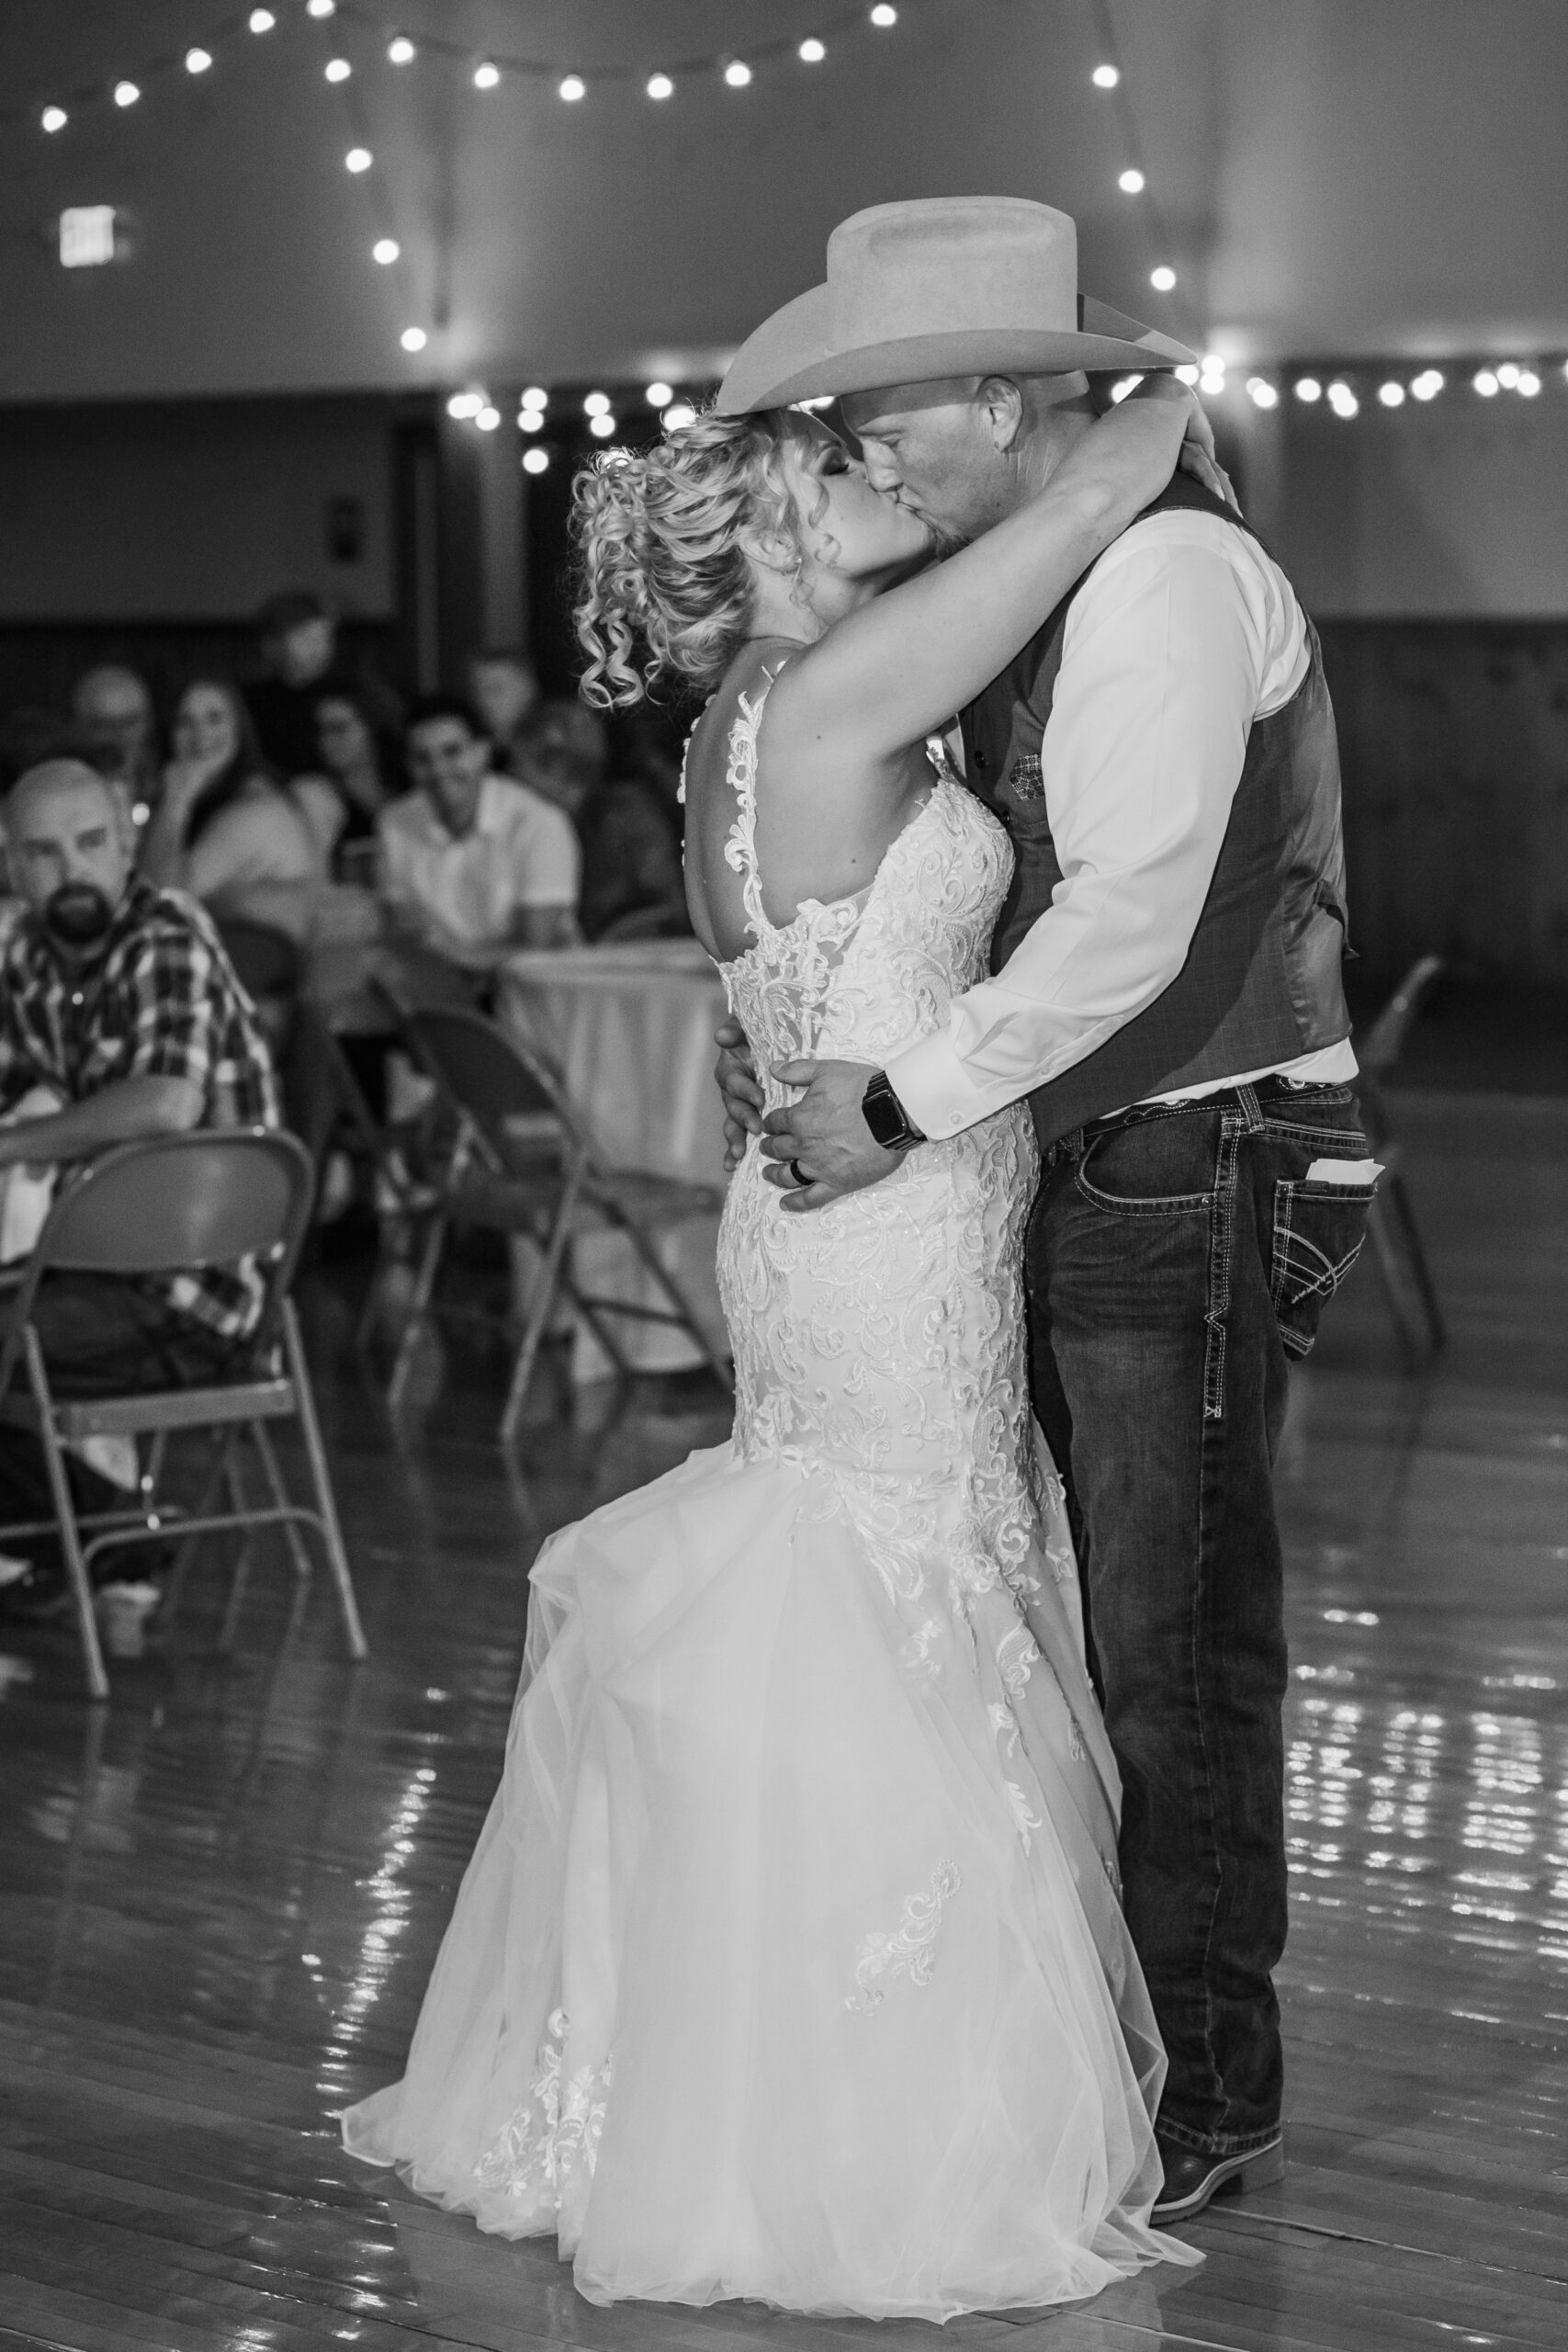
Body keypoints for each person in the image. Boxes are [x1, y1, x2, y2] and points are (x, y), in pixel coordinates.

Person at [341, 276, 1220, 2311]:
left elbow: (806, 986)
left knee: (886, 1599)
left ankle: (741, 2073)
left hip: (849, 1216)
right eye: (835, 468)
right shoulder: (824, 703)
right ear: (765, 539)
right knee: (900, 1612)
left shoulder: (754, 729)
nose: (873, 472)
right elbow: (1096, 491)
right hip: (881, 1230)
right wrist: (1117, 357)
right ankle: (872, 2123)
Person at [716, 199, 1377, 2225]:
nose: (870, 453)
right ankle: (1108, 2036)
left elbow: (1126, 919)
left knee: (1173, 1644)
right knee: (1096, 1631)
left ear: (995, 399)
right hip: (1098, 1154)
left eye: (882, 415)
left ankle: (1205, 2094)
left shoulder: (1167, 570)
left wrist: (902, 1090)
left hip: (1199, 1137)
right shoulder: (1071, 560)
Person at [0, 759, 279, 1612]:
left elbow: (167, 1101)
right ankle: (91, 1538)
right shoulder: (27, 962)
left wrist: (8, 1143)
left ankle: (111, 1532)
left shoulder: (165, 937)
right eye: (43, 853)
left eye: (91, 843)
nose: (71, 869)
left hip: (197, 1292)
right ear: (11, 865)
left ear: (128, 845)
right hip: (86, 1271)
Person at [377, 694, 579, 972]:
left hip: (532, 994)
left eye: (452, 752)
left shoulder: (538, 823)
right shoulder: (396, 822)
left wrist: (452, 957)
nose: (438, 770)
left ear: (482, 752)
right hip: (443, 992)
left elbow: (535, 947)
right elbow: (399, 927)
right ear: (408, 765)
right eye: (423, 758)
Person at [138, 678, 323, 943]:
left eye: (215, 719)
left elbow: (157, 905)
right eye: (185, 722)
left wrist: (175, 801)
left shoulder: (254, 807)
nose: (201, 734)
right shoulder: (215, 799)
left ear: (239, 728)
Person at [513, 698, 689, 942]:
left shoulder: (624, 815)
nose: (512, 781)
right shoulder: (545, 827)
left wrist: (605, 947)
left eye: (518, 765)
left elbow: (666, 908)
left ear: (556, 766)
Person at [244, 589, 399, 781]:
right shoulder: (252, 700)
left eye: (325, 637)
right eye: (304, 637)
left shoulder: (354, 691)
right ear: (271, 644)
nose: (318, 648)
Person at [292, 687, 403, 876]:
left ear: (371, 725)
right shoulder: (315, 795)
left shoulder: (407, 786)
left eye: (338, 728)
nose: (326, 741)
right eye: (320, 731)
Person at [69, 663, 159, 817]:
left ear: (148, 723)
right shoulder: (66, 791)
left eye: (128, 722)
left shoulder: (166, 781)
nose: (118, 735)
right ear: (81, 728)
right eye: (104, 725)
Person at [468, 644, 541, 775]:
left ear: (527, 690)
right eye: (476, 691)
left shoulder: (553, 748)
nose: (484, 701)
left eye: (495, 689)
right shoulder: (472, 750)